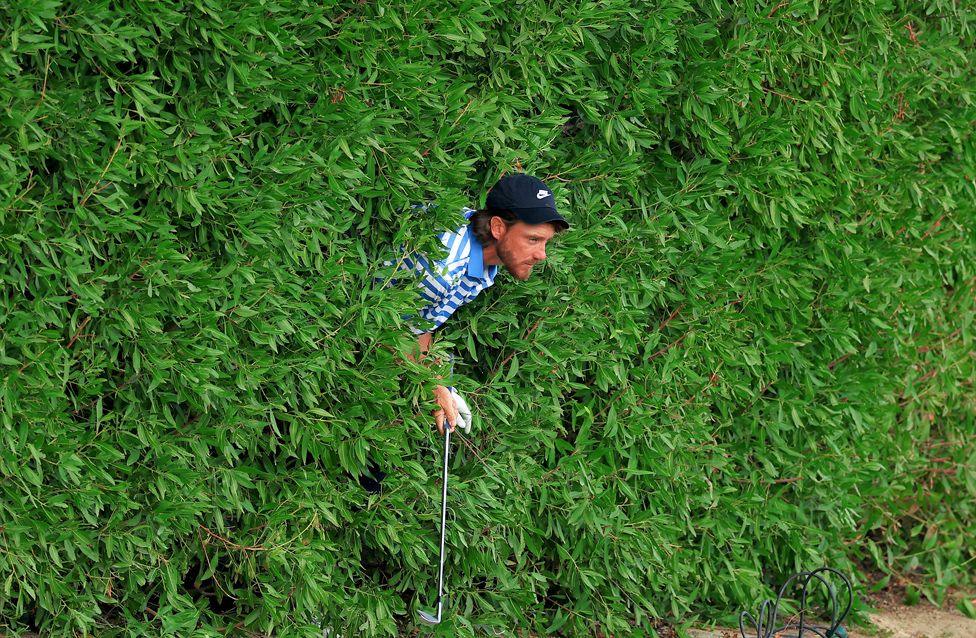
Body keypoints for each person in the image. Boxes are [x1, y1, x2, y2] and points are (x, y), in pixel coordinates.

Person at [360, 173, 570, 493]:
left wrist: (442, 383)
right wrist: (432, 387)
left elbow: (418, 326)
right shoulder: (445, 263)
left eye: (544, 242)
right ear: (498, 228)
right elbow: (383, 328)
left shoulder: (483, 260)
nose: (542, 254)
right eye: (532, 239)